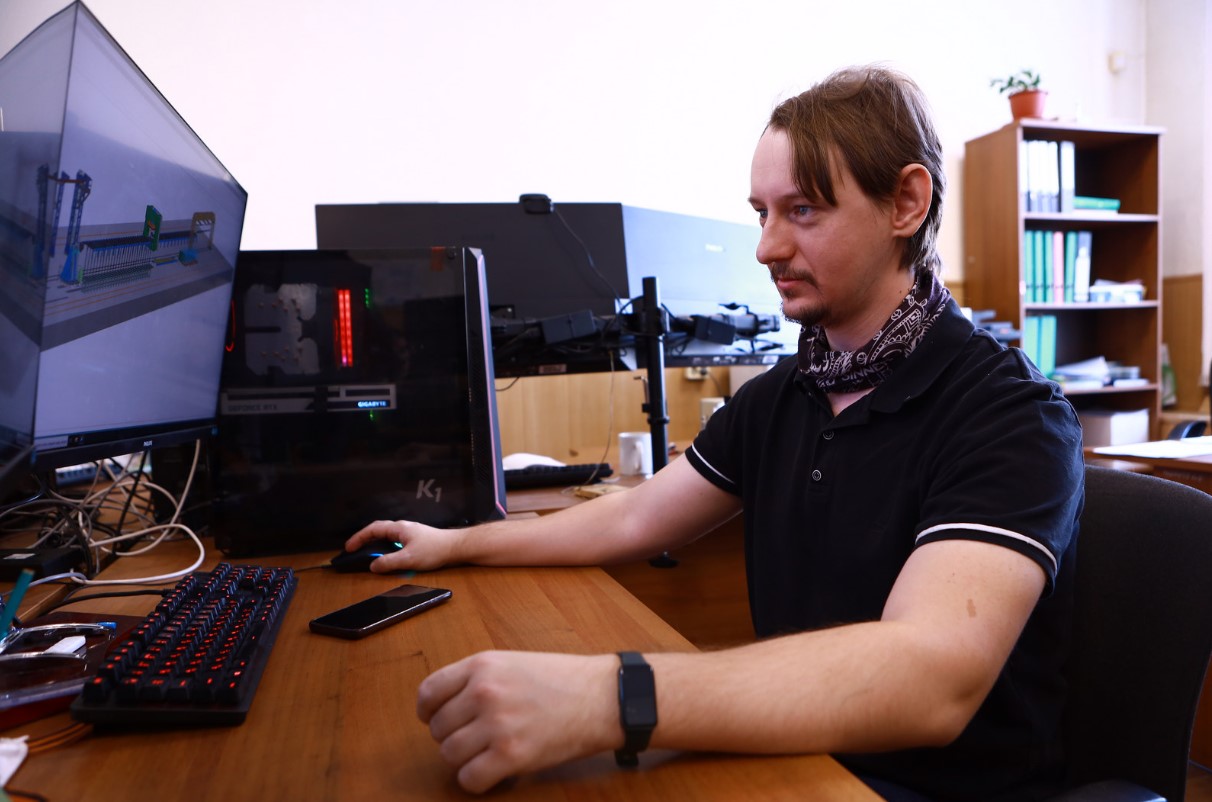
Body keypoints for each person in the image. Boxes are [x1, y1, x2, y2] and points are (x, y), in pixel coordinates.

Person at [346, 65, 1084, 801]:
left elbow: (930, 679)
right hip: (800, 757)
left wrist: (608, 697)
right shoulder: (784, 396)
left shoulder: (1010, 413)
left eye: (802, 210)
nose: (766, 248)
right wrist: (456, 542)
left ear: (906, 203)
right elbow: (634, 517)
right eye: (762, 213)